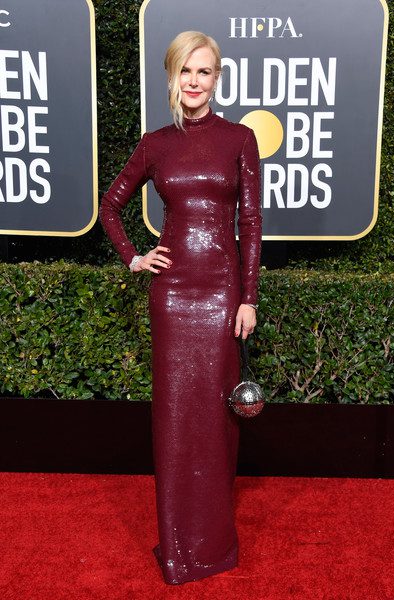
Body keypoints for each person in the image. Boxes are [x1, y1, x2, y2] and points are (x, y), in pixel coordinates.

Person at [99, 30, 262, 585]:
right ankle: (176, 548)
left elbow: (251, 224)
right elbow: (110, 205)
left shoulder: (239, 139)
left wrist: (248, 297)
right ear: (172, 76)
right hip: (172, 297)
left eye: (205, 72)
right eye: (186, 71)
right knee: (173, 417)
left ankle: (212, 543)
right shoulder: (156, 143)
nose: (195, 81)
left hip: (220, 295)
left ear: (217, 78)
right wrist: (135, 258)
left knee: (216, 419)